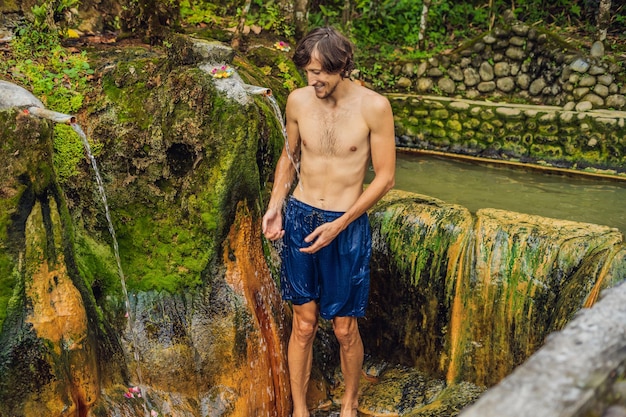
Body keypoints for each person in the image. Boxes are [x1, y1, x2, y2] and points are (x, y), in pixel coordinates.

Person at [262, 26, 396, 417]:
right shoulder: (298, 101)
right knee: (303, 325)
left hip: (346, 223)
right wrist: (275, 204)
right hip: (301, 216)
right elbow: (290, 156)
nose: (313, 80)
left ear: (342, 67)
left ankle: (349, 404)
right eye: (308, 72)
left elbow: (385, 177)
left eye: (320, 72)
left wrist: (341, 224)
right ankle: (299, 410)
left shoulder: (375, 107)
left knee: (343, 328)